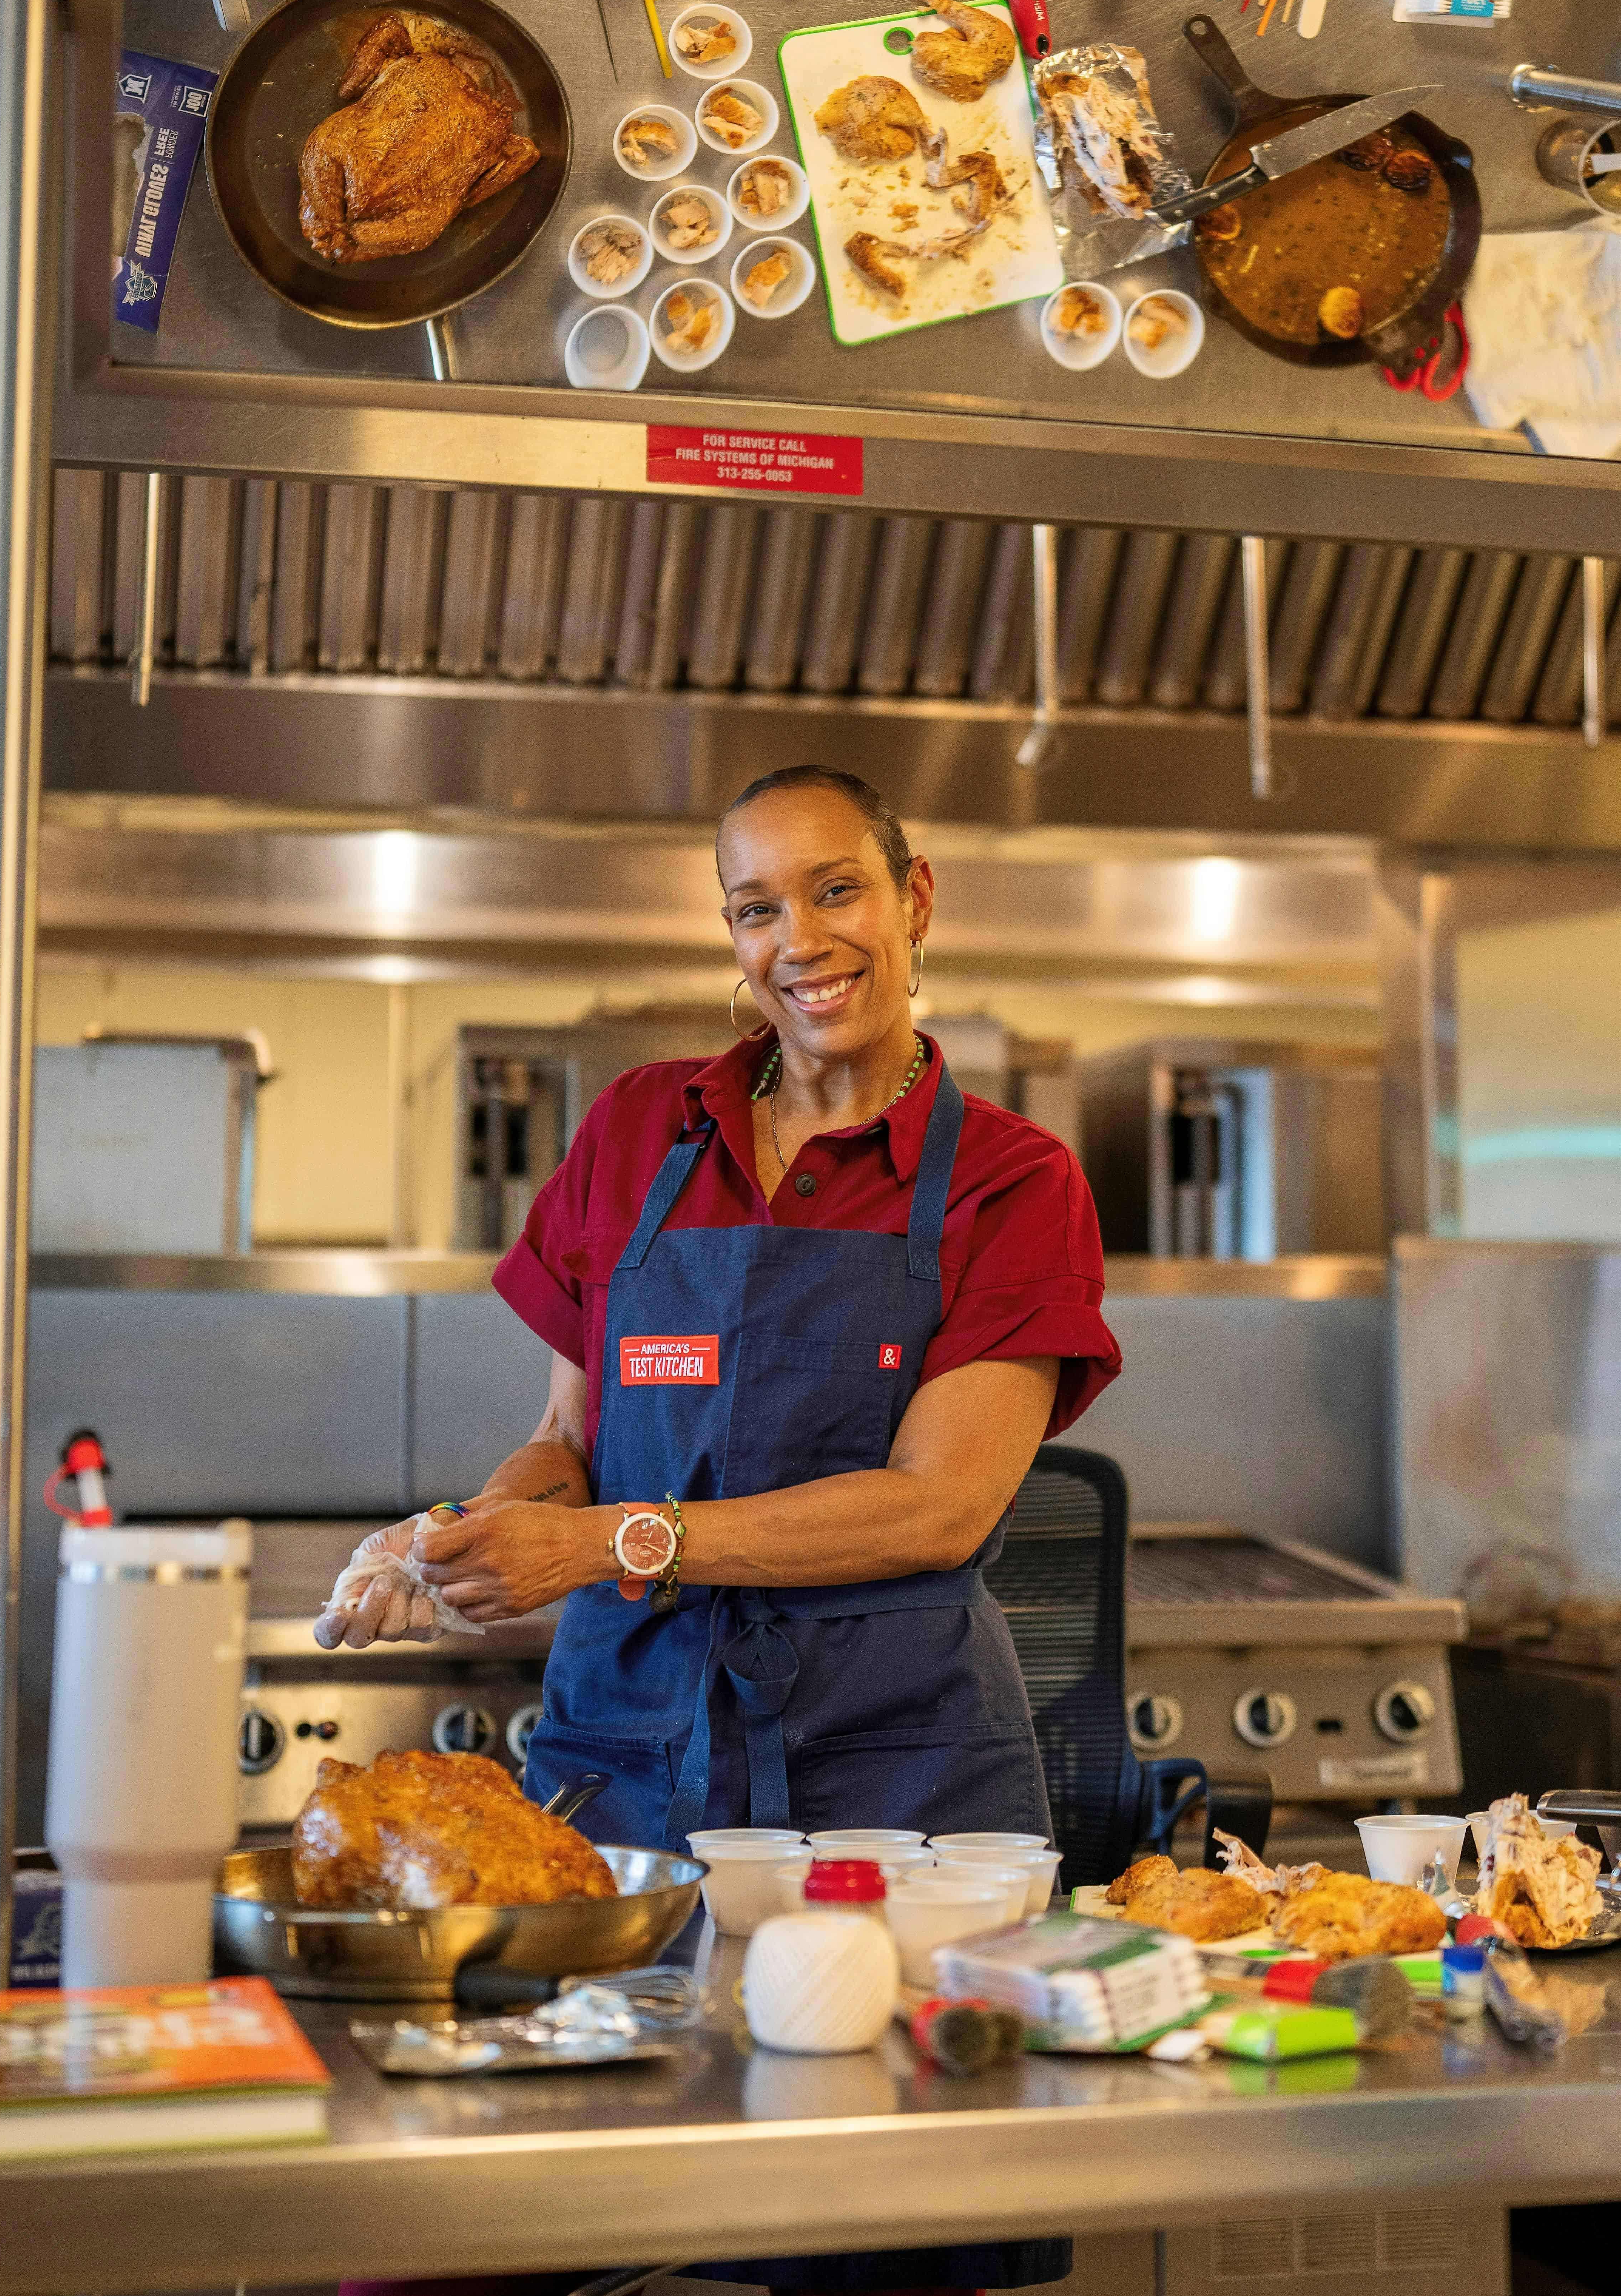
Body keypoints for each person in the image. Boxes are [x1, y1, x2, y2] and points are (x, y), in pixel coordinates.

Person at [321, 763, 1122, 2293]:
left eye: (836, 888)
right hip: (623, 1776)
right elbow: (571, 1441)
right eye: (756, 907)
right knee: (461, 2225)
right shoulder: (642, 1128)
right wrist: (461, 1529)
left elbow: (940, 1502)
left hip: (890, 1805)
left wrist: (610, 1545)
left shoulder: (1015, 1182)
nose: (798, 939)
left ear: (915, 900)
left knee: (878, 2237)